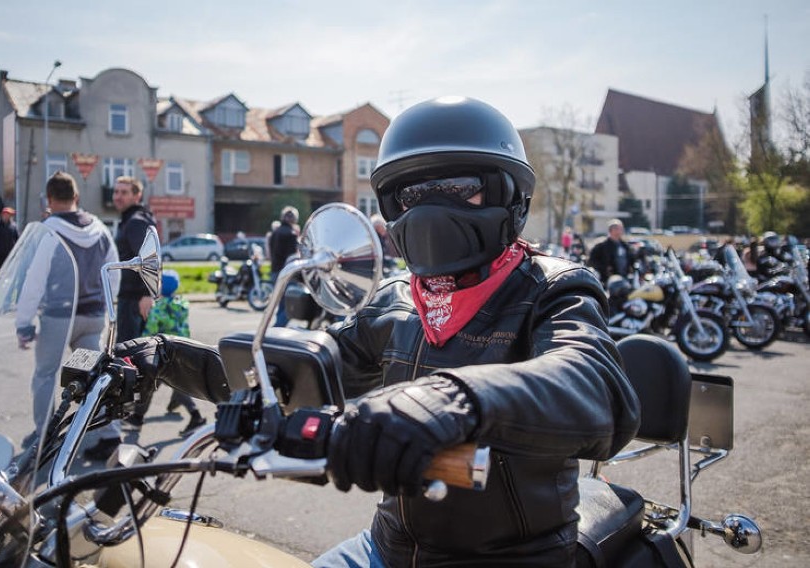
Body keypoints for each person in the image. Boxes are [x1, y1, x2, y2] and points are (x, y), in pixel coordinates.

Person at [114, 96, 640, 567]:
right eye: (413, 194)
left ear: (510, 197)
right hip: (386, 548)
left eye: (460, 188)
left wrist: (451, 400)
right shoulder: (396, 300)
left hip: (512, 557)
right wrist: (162, 356)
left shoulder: (554, 288)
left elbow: (593, 385)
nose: (433, 208)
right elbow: (291, 376)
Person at [15, 171, 119, 439]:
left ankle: (45, 434)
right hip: (93, 318)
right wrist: (106, 306)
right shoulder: (100, 229)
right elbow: (113, 272)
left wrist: (23, 323)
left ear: (49, 199)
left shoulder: (49, 231)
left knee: (46, 376)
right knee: (95, 378)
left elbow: (34, 280)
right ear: (76, 197)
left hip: (59, 319)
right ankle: (108, 433)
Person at [84, 175, 157, 460]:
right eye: (116, 191)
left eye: (125, 191)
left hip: (131, 300)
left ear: (137, 195)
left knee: (122, 364)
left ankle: (113, 436)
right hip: (126, 298)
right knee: (130, 362)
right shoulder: (131, 219)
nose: (118, 195)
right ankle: (122, 423)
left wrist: (145, 294)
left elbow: (146, 261)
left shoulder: (136, 221)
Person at [143, 270, 206, 437]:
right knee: (175, 382)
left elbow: (149, 333)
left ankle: (196, 416)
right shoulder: (181, 305)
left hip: (164, 352)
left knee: (154, 382)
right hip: (182, 349)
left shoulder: (158, 310)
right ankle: (174, 404)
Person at [268, 206, 299, 327]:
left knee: (281, 303)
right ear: (294, 219)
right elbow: (293, 257)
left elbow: (271, 253)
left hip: (275, 271)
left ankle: (276, 329)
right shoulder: (291, 234)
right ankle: (277, 328)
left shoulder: (274, 233)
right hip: (287, 274)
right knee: (290, 305)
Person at [588, 218, 633, 286]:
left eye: (621, 229)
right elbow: (591, 261)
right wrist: (604, 268)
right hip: (606, 281)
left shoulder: (625, 245)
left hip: (623, 279)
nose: (621, 231)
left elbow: (631, 259)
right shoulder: (601, 245)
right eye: (619, 229)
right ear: (612, 230)